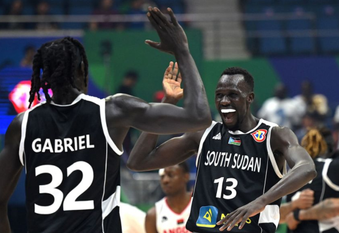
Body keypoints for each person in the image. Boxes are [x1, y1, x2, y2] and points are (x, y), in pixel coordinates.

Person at [0, 7, 212, 233]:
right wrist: (182, 50)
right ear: (82, 70)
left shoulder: (22, 125)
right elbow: (199, 116)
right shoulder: (112, 111)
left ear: (45, 78)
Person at [127, 66, 317, 232]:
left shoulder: (274, 135)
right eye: (219, 95)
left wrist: (261, 201)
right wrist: (167, 102)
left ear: (249, 98)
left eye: (233, 95)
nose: (224, 101)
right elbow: (138, 161)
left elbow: (307, 168)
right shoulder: (203, 134)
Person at [145, 162, 192, 233]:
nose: (165, 180)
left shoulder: (199, 204)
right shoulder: (153, 215)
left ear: (186, 176)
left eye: (171, 175)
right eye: (162, 176)